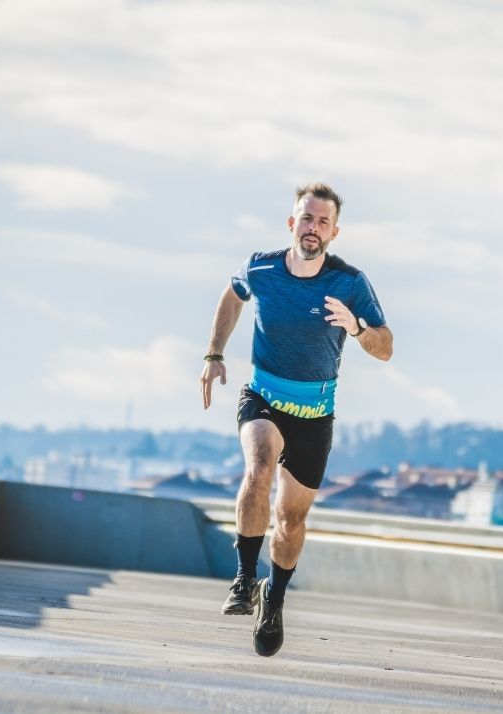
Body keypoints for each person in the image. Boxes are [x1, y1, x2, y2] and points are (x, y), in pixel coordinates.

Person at [200, 182, 393, 657]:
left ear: (334, 232)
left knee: (291, 518)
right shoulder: (261, 267)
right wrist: (214, 353)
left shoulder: (350, 282)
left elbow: (386, 348)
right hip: (264, 396)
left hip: (314, 414)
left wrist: (358, 327)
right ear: (292, 223)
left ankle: (275, 597)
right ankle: (245, 578)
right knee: (259, 463)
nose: (313, 228)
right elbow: (232, 294)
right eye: (306, 218)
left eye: (323, 221)